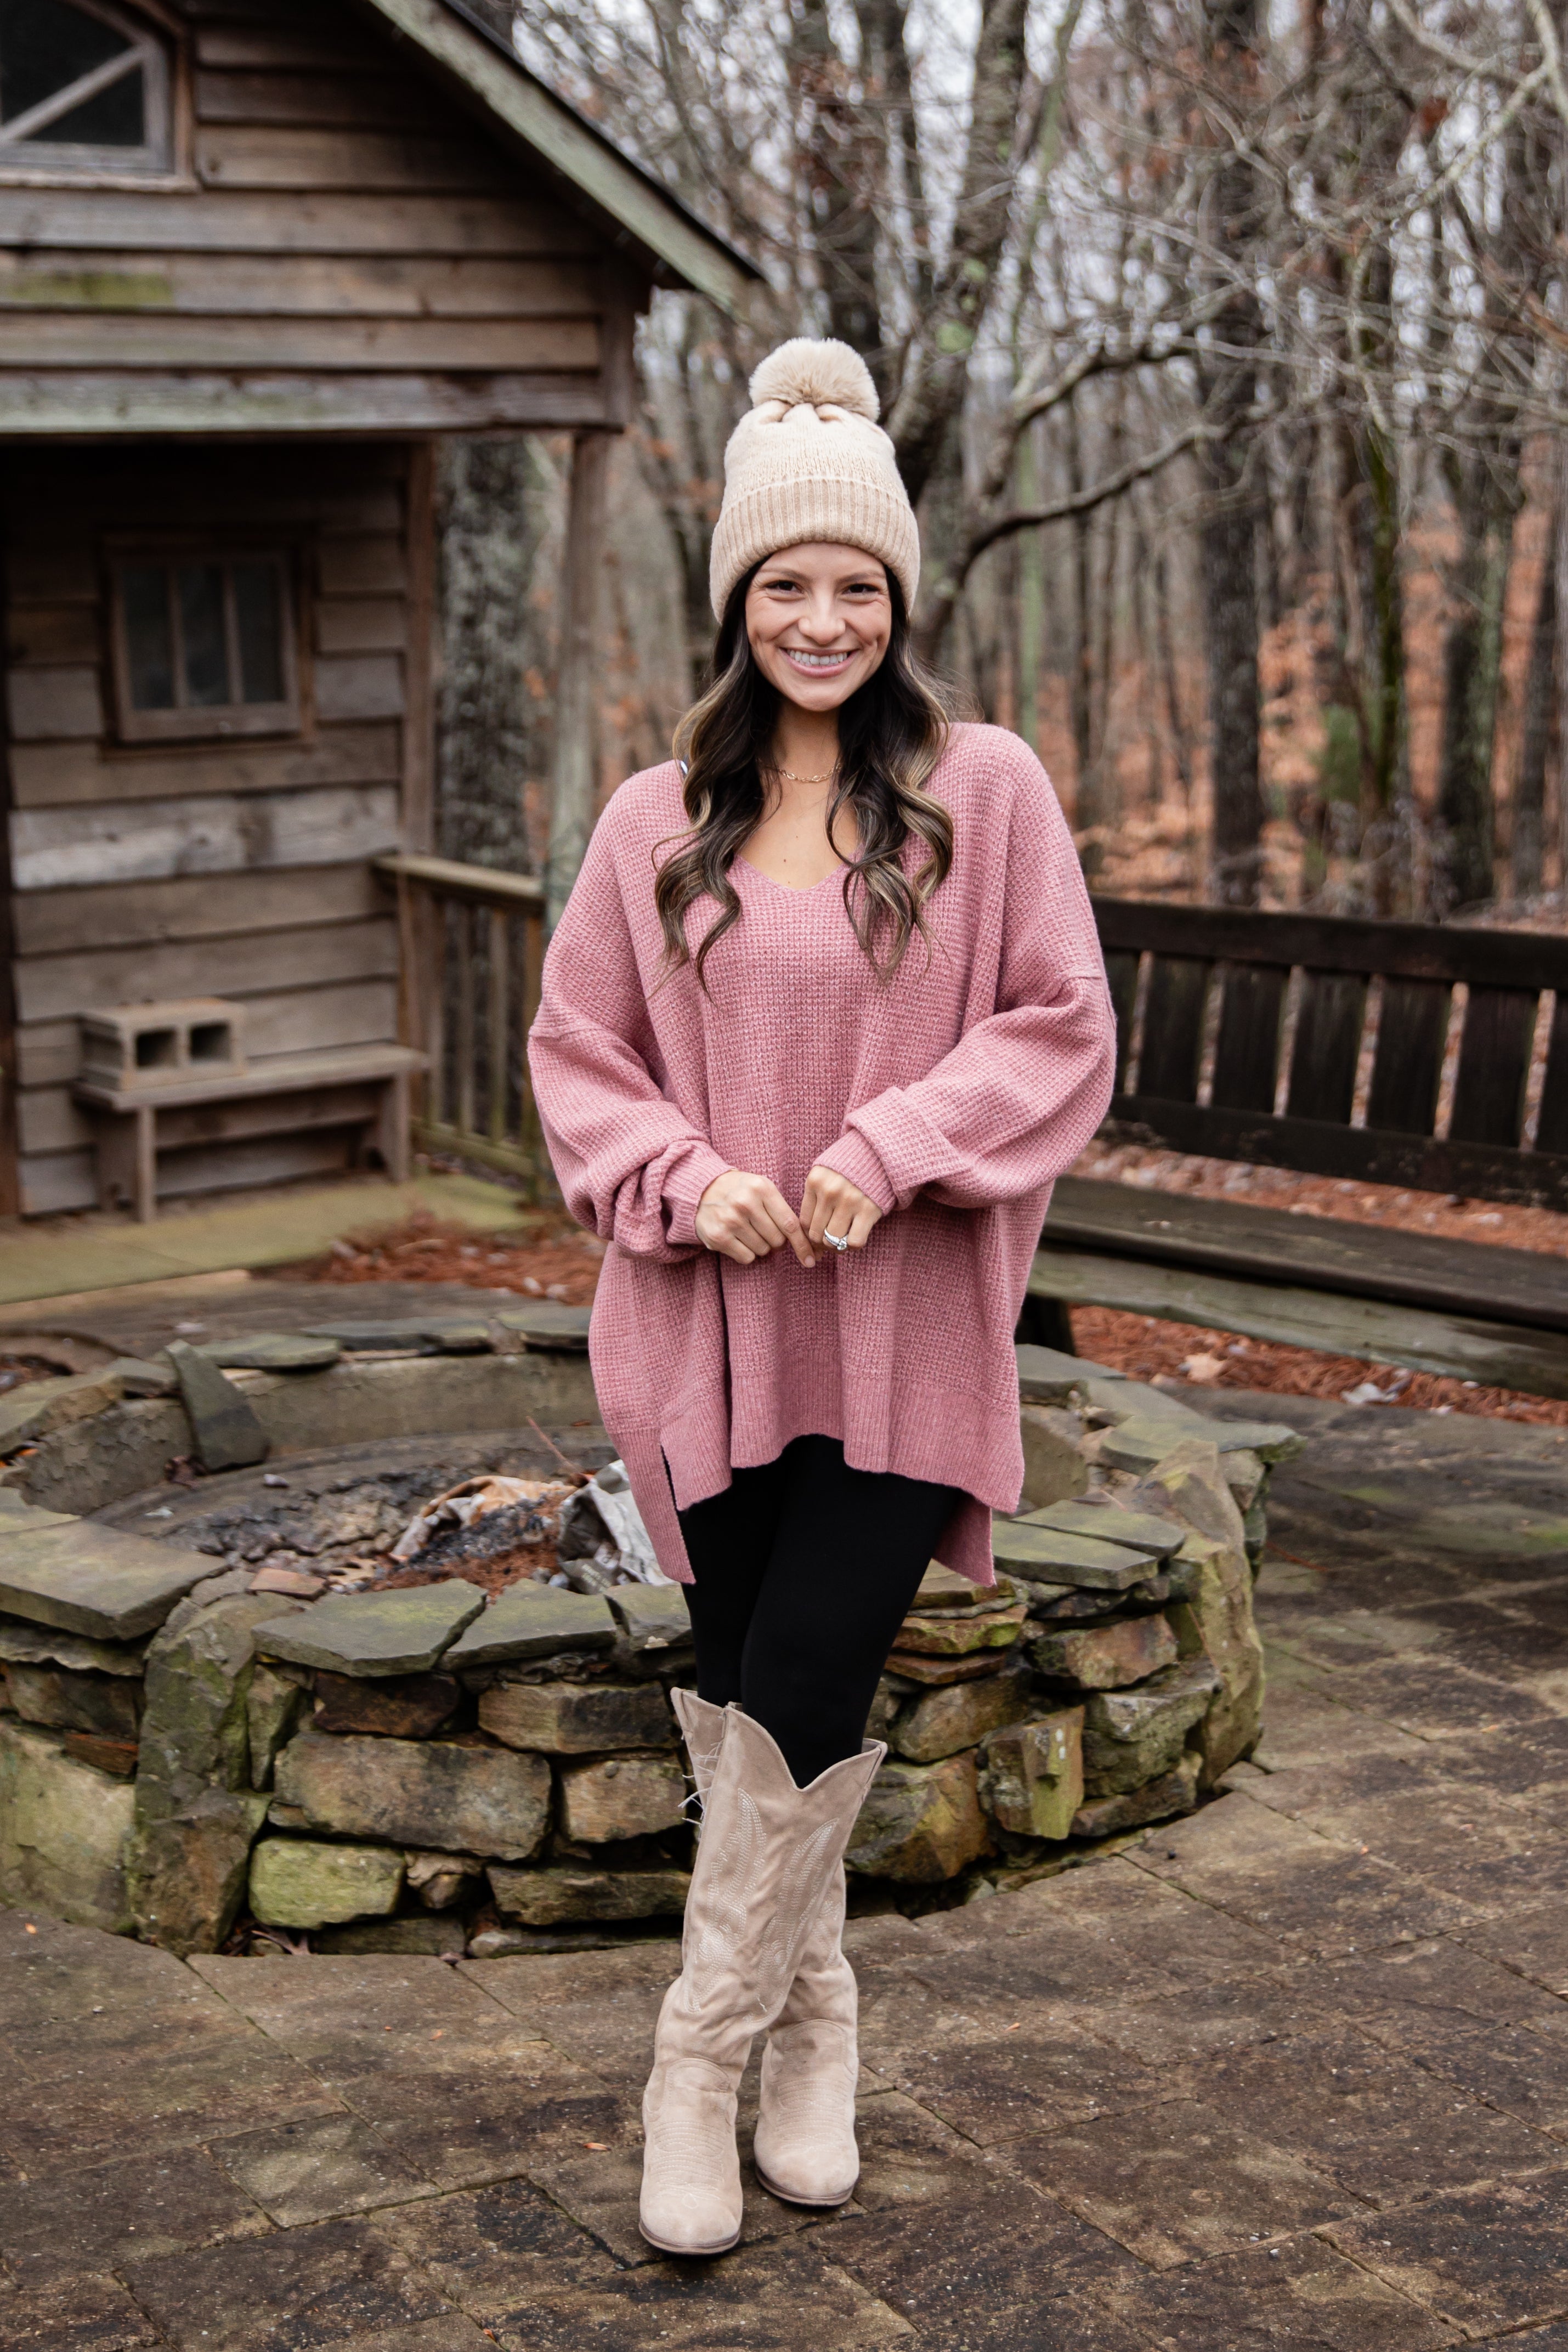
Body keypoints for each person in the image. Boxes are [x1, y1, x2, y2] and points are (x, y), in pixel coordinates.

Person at [528, 337, 1116, 2258]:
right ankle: (816, 2032)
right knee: (737, 1705)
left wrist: (889, 1143)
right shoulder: (648, 826)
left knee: (799, 1684)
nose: (821, 616)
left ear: (899, 602)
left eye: (855, 584)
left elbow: (1058, 1028)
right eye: (786, 582)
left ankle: (691, 2061)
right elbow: (576, 1058)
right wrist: (693, 1182)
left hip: (901, 1347)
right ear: (735, 602)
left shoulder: (988, 793)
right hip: (701, 1344)